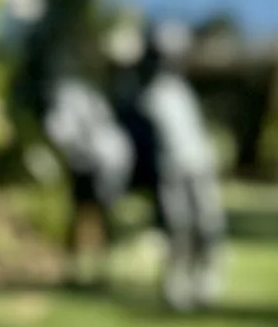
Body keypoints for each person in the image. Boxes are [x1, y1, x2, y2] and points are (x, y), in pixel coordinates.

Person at [128, 30, 228, 311]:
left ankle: (207, 281)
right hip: (170, 168)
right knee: (178, 226)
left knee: (208, 223)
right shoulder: (144, 96)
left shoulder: (181, 90)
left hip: (199, 164)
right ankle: (175, 285)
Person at [41, 75, 133, 281]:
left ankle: (100, 269)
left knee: (100, 215)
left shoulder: (89, 98)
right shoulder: (71, 97)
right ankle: (76, 269)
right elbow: (58, 132)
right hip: (84, 166)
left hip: (99, 165)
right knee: (80, 216)